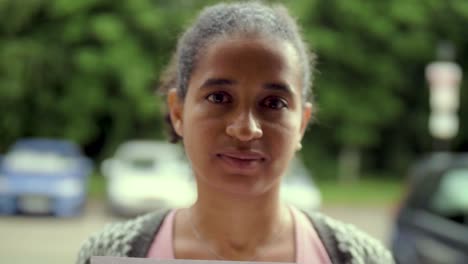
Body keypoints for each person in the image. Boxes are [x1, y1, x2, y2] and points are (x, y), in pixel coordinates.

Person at [77, 2, 394, 264]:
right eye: (218, 97)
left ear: (301, 122)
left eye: (273, 102)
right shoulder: (112, 253)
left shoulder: (360, 258)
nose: (245, 128)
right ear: (178, 111)